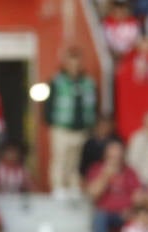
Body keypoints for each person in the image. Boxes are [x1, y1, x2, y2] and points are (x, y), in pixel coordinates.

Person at [43, 48, 97, 197]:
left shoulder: (88, 82)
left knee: (76, 159)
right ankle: (58, 186)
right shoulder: (57, 81)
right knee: (60, 157)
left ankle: (73, 185)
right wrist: (51, 122)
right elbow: (48, 104)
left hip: (81, 128)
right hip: (62, 127)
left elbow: (93, 105)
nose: (75, 66)